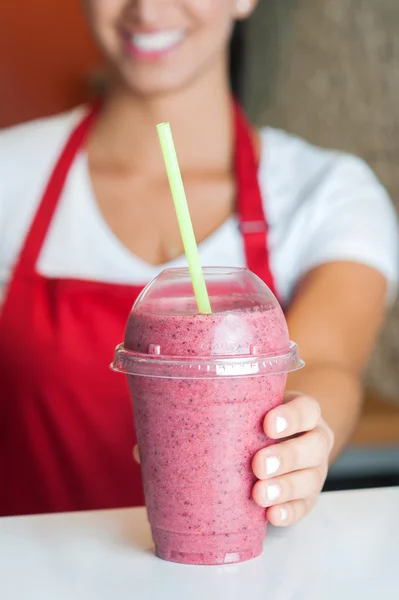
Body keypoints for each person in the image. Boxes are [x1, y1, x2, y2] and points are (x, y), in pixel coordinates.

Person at [0, 0, 397, 524]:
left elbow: (324, 360)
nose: (146, 9)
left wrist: (302, 430)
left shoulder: (327, 194)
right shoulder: (11, 177)